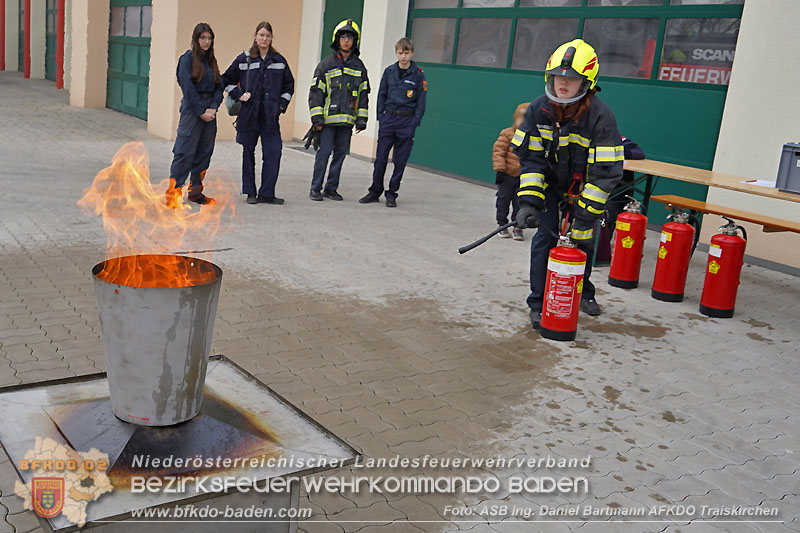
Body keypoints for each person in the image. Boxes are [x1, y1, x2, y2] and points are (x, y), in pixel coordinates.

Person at [512, 39, 624, 329]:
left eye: (571, 78)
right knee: (544, 241)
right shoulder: (538, 109)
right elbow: (532, 161)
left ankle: (583, 293)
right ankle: (537, 303)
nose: (563, 83)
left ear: (586, 82)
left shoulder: (601, 116)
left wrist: (586, 212)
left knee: (581, 241)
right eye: (559, 76)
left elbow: (606, 172)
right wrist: (528, 202)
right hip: (550, 188)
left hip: (587, 190)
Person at [221, 21, 294, 205]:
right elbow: (225, 79)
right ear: (255, 36)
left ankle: (267, 193)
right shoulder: (244, 59)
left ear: (271, 38)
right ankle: (250, 193)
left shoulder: (279, 60)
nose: (265, 38)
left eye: (268, 36)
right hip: (249, 115)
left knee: (274, 153)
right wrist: (239, 94)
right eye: (261, 35)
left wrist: (280, 106)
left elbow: (289, 86)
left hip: (270, 116)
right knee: (248, 152)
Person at [358, 37, 426, 208]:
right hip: (389, 119)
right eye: (400, 53)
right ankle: (375, 191)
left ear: (412, 53)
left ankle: (392, 193)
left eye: (406, 53)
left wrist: (414, 122)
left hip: (406, 121)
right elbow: (381, 94)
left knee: (400, 161)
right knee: (380, 159)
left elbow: (421, 101)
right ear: (396, 53)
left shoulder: (418, 74)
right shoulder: (389, 71)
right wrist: (381, 117)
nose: (403, 56)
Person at [308, 19, 370, 201]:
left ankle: (331, 188)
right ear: (337, 39)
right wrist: (317, 120)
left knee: (340, 155)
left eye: (350, 37)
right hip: (327, 122)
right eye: (343, 36)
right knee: (323, 154)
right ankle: (315, 188)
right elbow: (315, 94)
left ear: (354, 41)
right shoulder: (326, 65)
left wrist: (361, 119)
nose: (346, 40)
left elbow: (363, 95)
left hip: (347, 121)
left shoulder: (360, 67)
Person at [166, 22, 224, 208]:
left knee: (204, 153)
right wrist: (200, 111)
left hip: (209, 111)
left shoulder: (211, 61)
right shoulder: (187, 59)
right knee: (184, 152)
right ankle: (173, 195)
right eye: (203, 38)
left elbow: (219, 87)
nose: (206, 42)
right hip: (193, 111)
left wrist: (213, 108)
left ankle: (195, 192)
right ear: (196, 39)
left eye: (209, 38)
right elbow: (188, 88)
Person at [492, 103, 529, 240]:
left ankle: (518, 226)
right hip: (506, 175)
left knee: (520, 202)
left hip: (522, 177)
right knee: (503, 199)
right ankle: (502, 224)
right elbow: (498, 151)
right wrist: (500, 168)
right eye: (521, 118)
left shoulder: (531, 137)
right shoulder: (507, 133)